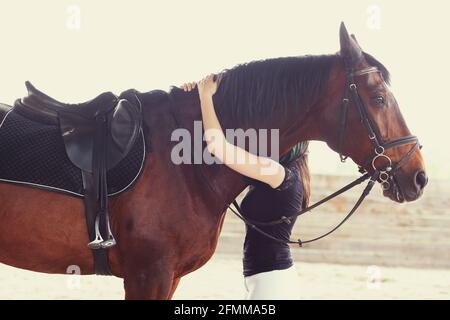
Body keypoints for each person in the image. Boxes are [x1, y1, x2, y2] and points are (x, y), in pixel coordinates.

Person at [181, 74, 310, 300]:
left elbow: (218, 146)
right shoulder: (278, 177)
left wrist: (205, 96)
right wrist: (192, 98)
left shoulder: (279, 174)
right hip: (266, 279)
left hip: (273, 283)